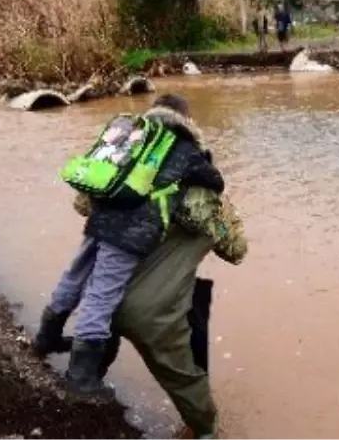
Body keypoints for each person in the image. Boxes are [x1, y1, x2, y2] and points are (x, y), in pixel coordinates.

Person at [34, 94, 231, 404]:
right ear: (184, 118)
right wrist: (203, 159)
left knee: (75, 276)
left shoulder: (134, 133)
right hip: (130, 234)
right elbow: (215, 182)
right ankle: (81, 378)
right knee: (103, 295)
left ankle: (46, 337)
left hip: (99, 218)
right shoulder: (182, 146)